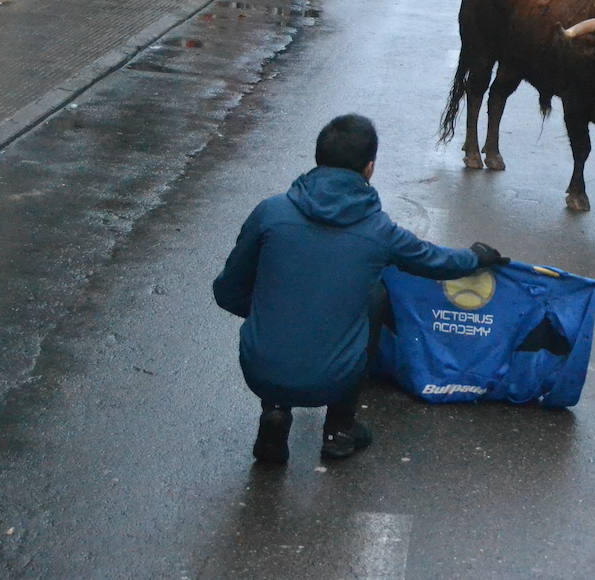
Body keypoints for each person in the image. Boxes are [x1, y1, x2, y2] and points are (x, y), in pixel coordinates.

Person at [213, 113, 507, 463]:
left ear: (318, 159)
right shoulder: (378, 230)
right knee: (376, 294)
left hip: (260, 369)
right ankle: (339, 429)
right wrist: (475, 257)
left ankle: (275, 411)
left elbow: (227, 291)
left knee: (287, 293)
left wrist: (277, 309)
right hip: (334, 375)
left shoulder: (270, 213)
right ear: (369, 169)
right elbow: (433, 260)